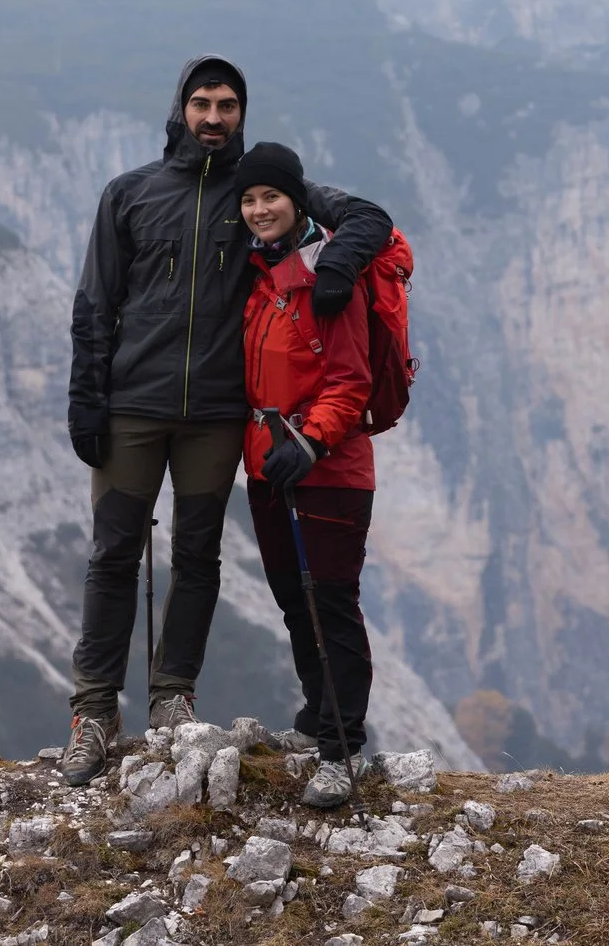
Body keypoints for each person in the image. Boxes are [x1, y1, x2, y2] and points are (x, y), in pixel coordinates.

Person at [59, 57, 392, 786]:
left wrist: (337, 270)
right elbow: (95, 303)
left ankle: (172, 695)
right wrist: (87, 397)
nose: (214, 117)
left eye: (228, 105)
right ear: (180, 109)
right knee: (113, 554)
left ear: (242, 113)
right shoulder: (131, 193)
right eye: (202, 103)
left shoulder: (257, 190)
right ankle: (94, 711)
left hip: (216, 414)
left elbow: (369, 218)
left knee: (198, 554)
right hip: (132, 405)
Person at [230, 141, 380, 810]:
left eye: (272, 196)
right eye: (249, 199)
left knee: (332, 601)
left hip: (329, 471)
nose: (260, 209)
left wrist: (312, 442)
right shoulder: (261, 275)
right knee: (296, 601)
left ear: (298, 201)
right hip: (270, 467)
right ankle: (317, 716)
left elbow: (351, 382)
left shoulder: (327, 278)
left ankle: (342, 747)